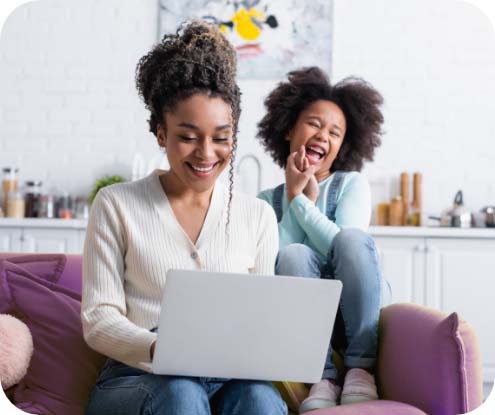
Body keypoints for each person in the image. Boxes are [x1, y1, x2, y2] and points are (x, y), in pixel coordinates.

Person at [82, 20, 287, 415]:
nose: (206, 153)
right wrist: (164, 348)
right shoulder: (116, 204)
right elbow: (99, 319)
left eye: (221, 137)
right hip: (137, 375)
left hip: (228, 374)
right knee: (180, 393)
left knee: (261, 399)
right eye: (188, 136)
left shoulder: (258, 216)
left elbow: (261, 322)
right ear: (161, 132)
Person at [257, 67, 387, 412]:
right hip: (302, 329)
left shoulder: (351, 184)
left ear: (343, 145)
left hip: (353, 315)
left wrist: (301, 201)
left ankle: (360, 369)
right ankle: (323, 377)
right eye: (314, 124)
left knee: (351, 239)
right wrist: (291, 195)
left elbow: (345, 246)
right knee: (294, 255)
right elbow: (276, 262)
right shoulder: (264, 202)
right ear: (288, 129)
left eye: (335, 132)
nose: (323, 136)